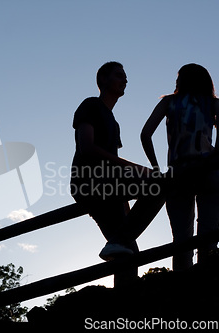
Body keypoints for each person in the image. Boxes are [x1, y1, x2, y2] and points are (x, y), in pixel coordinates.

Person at [70, 61, 163, 262]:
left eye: (125, 76)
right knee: (159, 184)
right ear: (103, 79)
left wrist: (126, 210)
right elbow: (87, 147)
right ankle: (118, 241)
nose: (125, 80)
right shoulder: (91, 105)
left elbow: (112, 166)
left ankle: (118, 243)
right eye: (119, 75)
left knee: (127, 253)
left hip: (109, 188)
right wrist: (139, 169)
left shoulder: (114, 122)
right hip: (89, 184)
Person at [141, 63, 219, 270]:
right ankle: (208, 284)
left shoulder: (169, 103)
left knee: (181, 241)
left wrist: (155, 168)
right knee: (209, 237)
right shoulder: (212, 103)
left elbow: (145, 134)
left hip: (178, 172)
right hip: (208, 167)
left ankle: (182, 289)